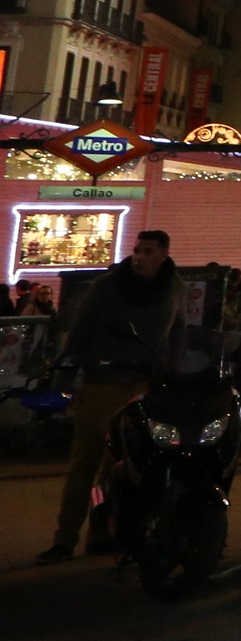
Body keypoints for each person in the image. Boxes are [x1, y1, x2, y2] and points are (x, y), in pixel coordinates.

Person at [39, 230, 186, 563]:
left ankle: (100, 531)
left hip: (142, 387)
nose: (138, 257)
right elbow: (80, 330)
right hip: (102, 383)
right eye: (136, 250)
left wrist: (173, 368)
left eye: (148, 251)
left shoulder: (173, 287)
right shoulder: (108, 286)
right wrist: (67, 375)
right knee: (85, 463)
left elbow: (180, 330)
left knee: (116, 468)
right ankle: (64, 538)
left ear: (164, 254)